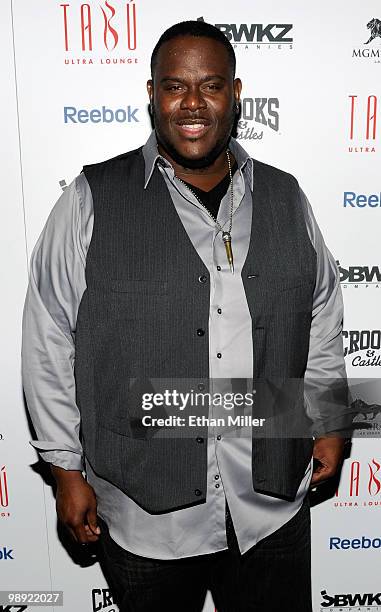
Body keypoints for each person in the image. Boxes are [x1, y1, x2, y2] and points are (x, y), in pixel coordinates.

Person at [22, 20, 349, 612]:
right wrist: (66, 470)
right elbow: (48, 339)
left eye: (211, 85)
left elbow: (322, 312)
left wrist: (327, 419)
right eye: (175, 86)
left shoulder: (286, 195)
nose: (193, 103)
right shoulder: (91, 199)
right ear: (152, 95)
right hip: (148, 517)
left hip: (270, 508)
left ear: (236, 93)